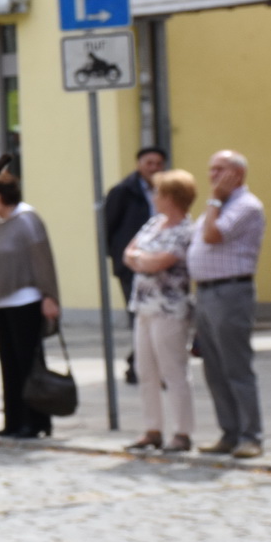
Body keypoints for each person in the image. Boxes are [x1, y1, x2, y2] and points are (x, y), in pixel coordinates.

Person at [187, 149, 266, 458]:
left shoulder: (246, 205)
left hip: (231, 292)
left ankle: (251, 436)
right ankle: (229, 432)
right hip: (206, 292)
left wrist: (215, 200)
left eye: (221, 169)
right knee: (214, 369)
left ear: (238, 174)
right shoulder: (217, 206)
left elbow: (212, 236)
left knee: (236, 367)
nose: (213, 175)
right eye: (211, 169)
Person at [0, 173, 61, 439]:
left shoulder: (27, 220)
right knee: (9, 365)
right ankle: (13, 421)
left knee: (28, 365)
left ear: (5, 194)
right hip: (3, 303)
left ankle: (35, 422)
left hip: (26, 300)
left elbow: (42, 259)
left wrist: (49, 296)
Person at [122, 169, 198, 453]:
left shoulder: (185, 230)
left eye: (158, 192)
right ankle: (152, 429)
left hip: (169, 308)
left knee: (172, 370)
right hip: (143, 305)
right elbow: (128, 253)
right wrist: (143, 259)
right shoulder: (154, 223)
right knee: (145, 369)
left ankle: (182, 432)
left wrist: (141, 260)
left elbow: (161, 262)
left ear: (172, 197)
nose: (154, 197)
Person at [105, 146, 167, 384]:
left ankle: (138, 365)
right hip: (132, 264)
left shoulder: (165, 190)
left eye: (158, 163)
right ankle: (143, 367)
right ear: (139, 164)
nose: (154, 168)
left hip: (159, 262)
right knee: (140, 316)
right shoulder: (124, 191)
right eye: (149, 163)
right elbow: (108, 227)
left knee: (156, 316)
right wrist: (119, 258)